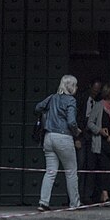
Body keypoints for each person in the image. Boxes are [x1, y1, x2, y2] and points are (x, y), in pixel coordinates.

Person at [36, 74, 81, 211]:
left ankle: (43, 202)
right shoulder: (71, 100)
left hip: (48, 137)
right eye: (75, 85)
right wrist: (76, 132)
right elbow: (71, 121)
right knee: (71, 171)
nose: (77, 88)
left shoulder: (51, 98)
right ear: (70, 86)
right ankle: (75, 203)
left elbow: (37, 107)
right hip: (63, 137)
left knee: (50, 171)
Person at [78, 79, 104, 206]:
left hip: (93, 136)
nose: (95, 93)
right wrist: (76, 137)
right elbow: (77, 118)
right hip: (82, 136)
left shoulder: (99, 103)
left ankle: (88, 196)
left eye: (97, 91)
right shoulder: (81, 99)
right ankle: (77, 196)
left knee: (91, 166)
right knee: (81, 165)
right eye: (94, 91)